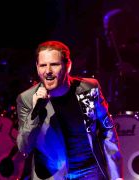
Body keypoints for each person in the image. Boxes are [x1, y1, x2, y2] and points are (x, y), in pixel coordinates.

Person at [16, 40, 123, 180]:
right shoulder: (27, 99)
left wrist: (116, 175)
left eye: (54, 64)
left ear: (68, 66)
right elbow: (24, 147)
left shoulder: (88, 89)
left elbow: (107, 129)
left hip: (90, 172)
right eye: (43, 65)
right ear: (37, 67)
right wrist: (36, 111)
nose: (48, 71)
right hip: (53, 176)